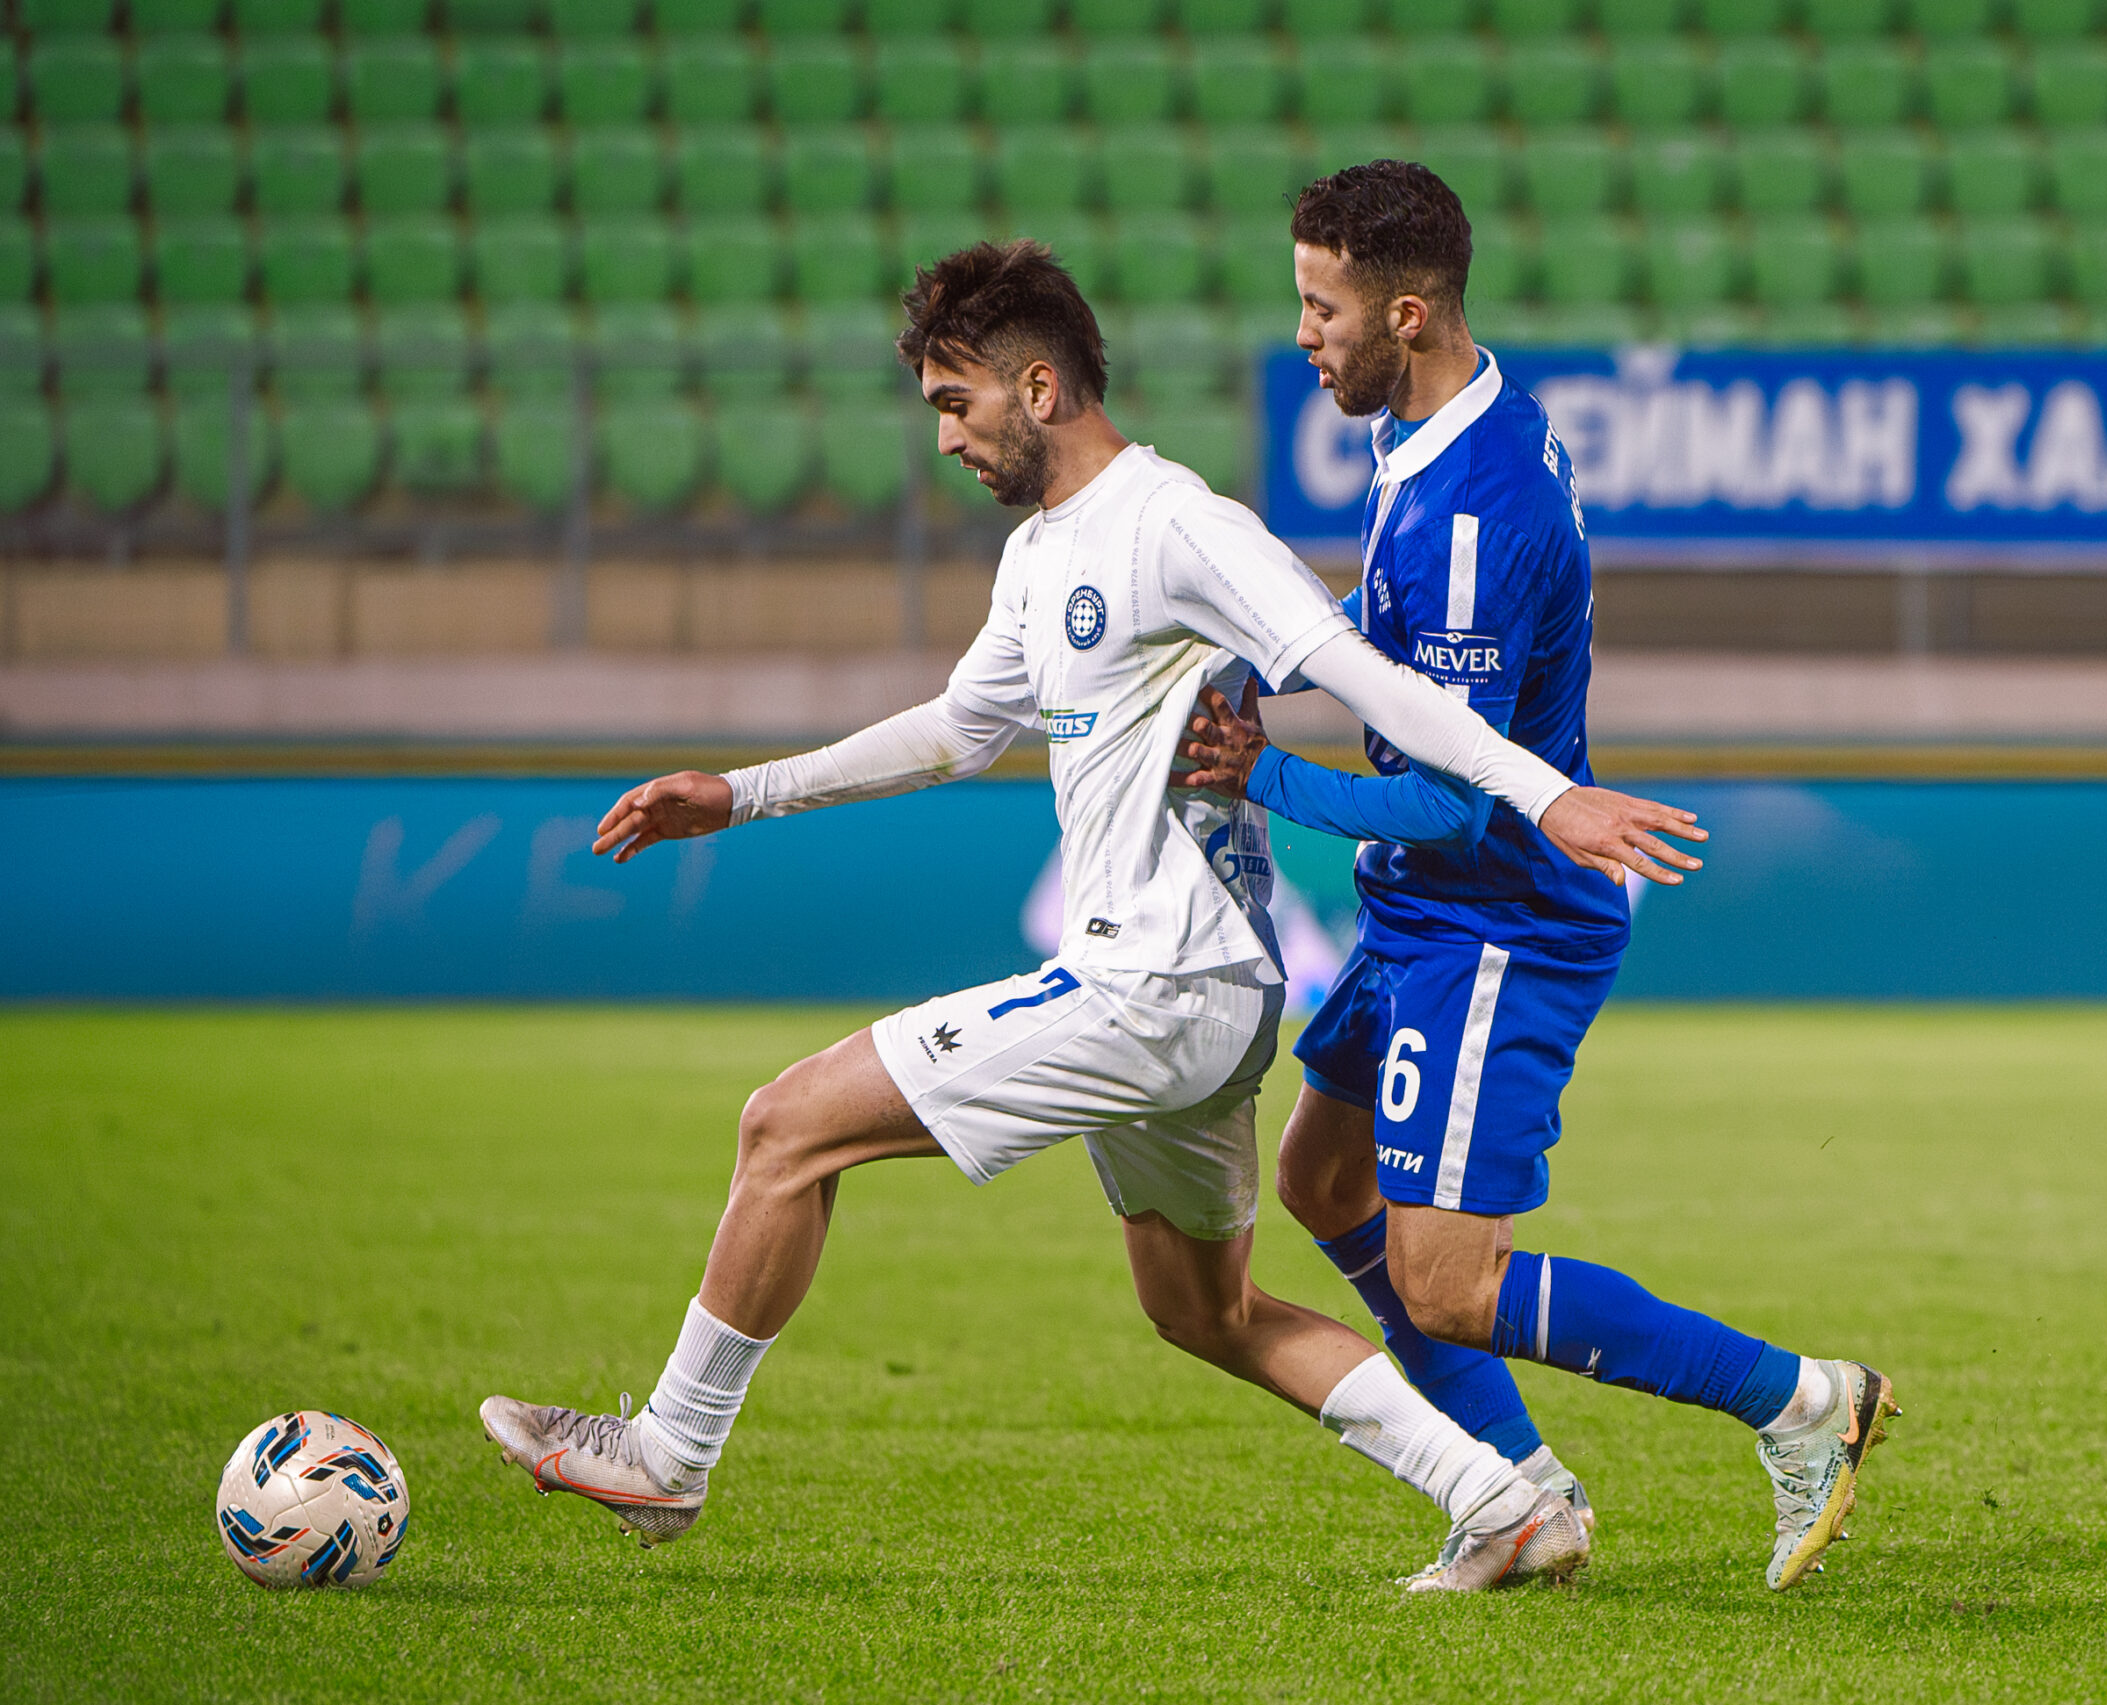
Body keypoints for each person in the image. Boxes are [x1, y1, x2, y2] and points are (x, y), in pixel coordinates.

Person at [477, 239, 1709, 1594]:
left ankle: (669, 1452)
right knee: (1205, 1311)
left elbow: (1368, 676)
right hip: (1192, 991)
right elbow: (957, 731)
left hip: (1158, 982)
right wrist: (741, 793)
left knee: (785, 1126)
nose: (945, 438)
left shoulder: (1179, 524)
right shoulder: (1041, 555)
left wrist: (1548, 795)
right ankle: (1500, 1500)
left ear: (1040, 386)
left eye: (957, 404)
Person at [1174, 162, 1899, 1593]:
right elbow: (1397, 629)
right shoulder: (1444, 424)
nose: (1303, 334)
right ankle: (1522, 1492)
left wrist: (1255, 771)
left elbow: (1451, 799)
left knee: (1449, 1283)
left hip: (1491, 919)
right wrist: (1281, 656)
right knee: (1322, 1178)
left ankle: (1802, 1400)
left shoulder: (1474, 508)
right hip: (1425, 908)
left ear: (1406, 313)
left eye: (1322, 309)